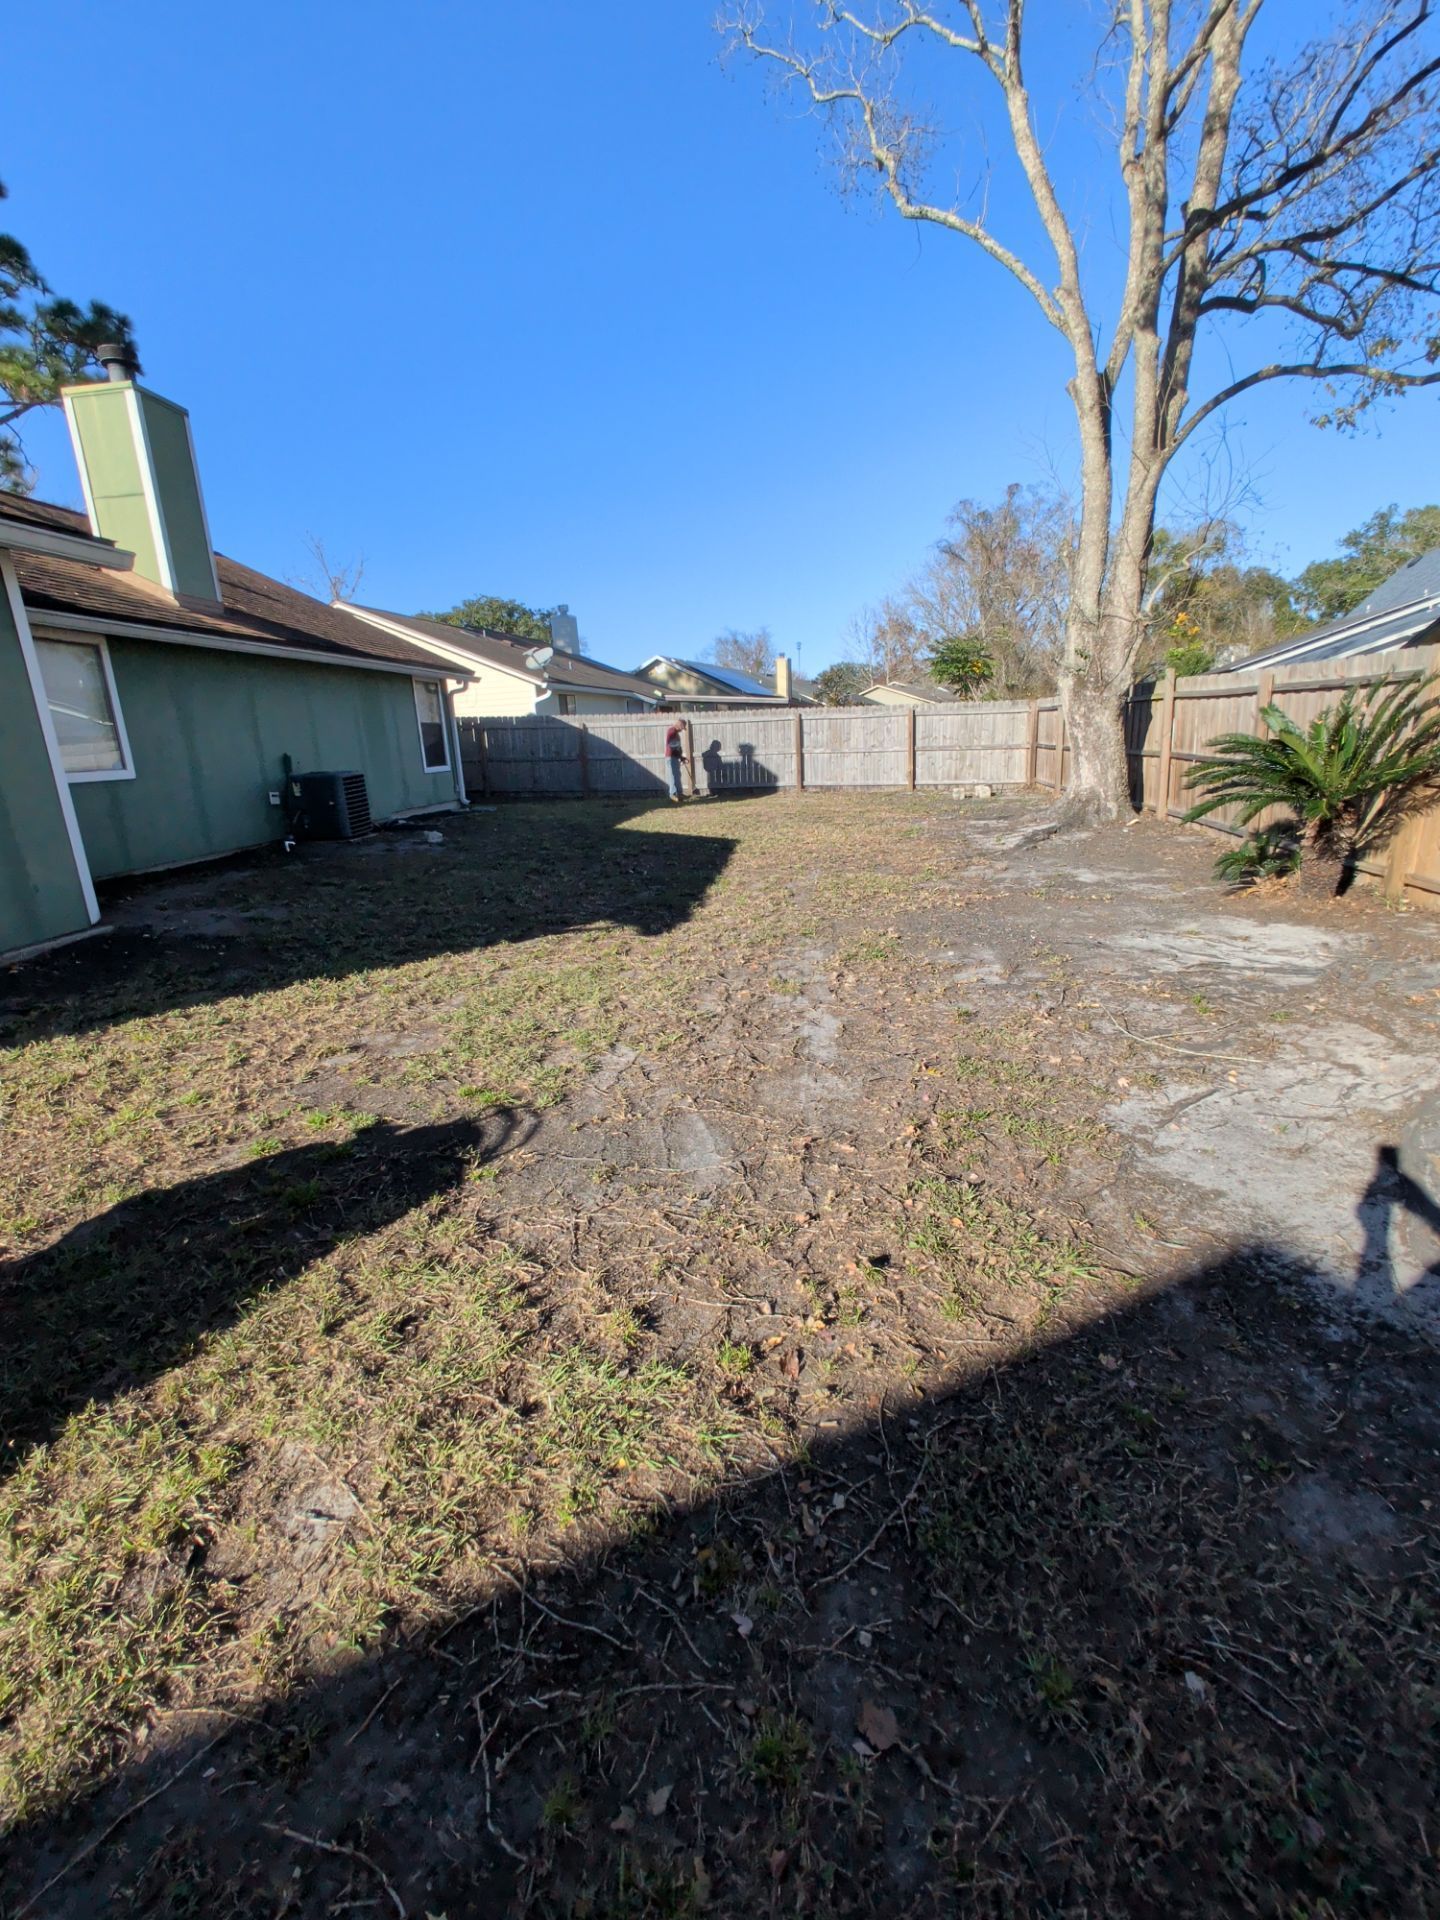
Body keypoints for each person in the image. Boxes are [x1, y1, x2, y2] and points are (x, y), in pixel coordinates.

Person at [664, 718, 687, 802]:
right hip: (671, 756)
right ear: (680, 725)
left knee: (677, 775)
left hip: (675, 756)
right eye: (682, 728)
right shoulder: (672, 731)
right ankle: (673, 794)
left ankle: (679, 793)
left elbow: (677, 747)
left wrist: (681, 757)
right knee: (673, 775)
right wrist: (678, 754)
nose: (682, 730)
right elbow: (670, 744)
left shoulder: (676, 733)